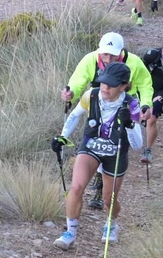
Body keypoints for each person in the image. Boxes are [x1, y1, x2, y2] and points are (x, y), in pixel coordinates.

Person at [51, 61, 143, 249]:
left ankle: (112, 224)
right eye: (102, 82)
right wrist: (62, 137)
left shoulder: (132, 104)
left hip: (116, 154)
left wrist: (130, 124)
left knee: (110, 199)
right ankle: (70, 233)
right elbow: (75, 115)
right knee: (76, 187)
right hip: (90, 147)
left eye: (111, 85)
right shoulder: (91, 95)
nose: (105, 88)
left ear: (124, 85)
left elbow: (137, 144)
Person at [63, 32, 154, 207]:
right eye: (105, 54)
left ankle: (105, 185)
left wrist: (144, 105)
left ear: (121, 51)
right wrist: (71, 93)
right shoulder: (90, 60)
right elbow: (78, 79)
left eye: (113, 55)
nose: (108, 58)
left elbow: (145, 84)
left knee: (117, 145)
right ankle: (99, 184)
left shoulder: (134, 63)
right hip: (97, 103)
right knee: (98, 141)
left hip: (126, 107)